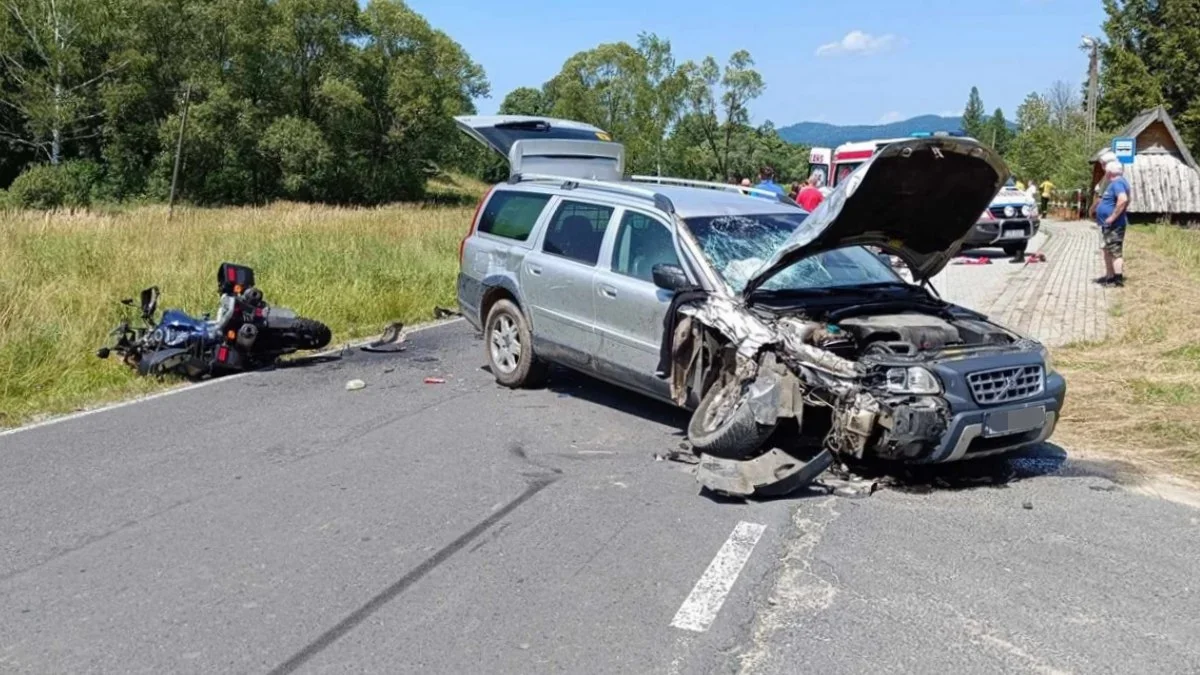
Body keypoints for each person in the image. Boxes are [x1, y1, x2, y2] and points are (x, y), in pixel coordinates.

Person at [1094, 160, 1130, 287]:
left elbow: (1123, 199)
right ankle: (1111, 278)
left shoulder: (1118, 183)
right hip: (1108, 225)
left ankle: (1117, 280)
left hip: (1114, 225)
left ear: (1109, 172)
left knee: (1115, 251)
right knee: (1109, 250)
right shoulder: (1118, 182)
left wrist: (1112, 217)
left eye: (1106, 171)